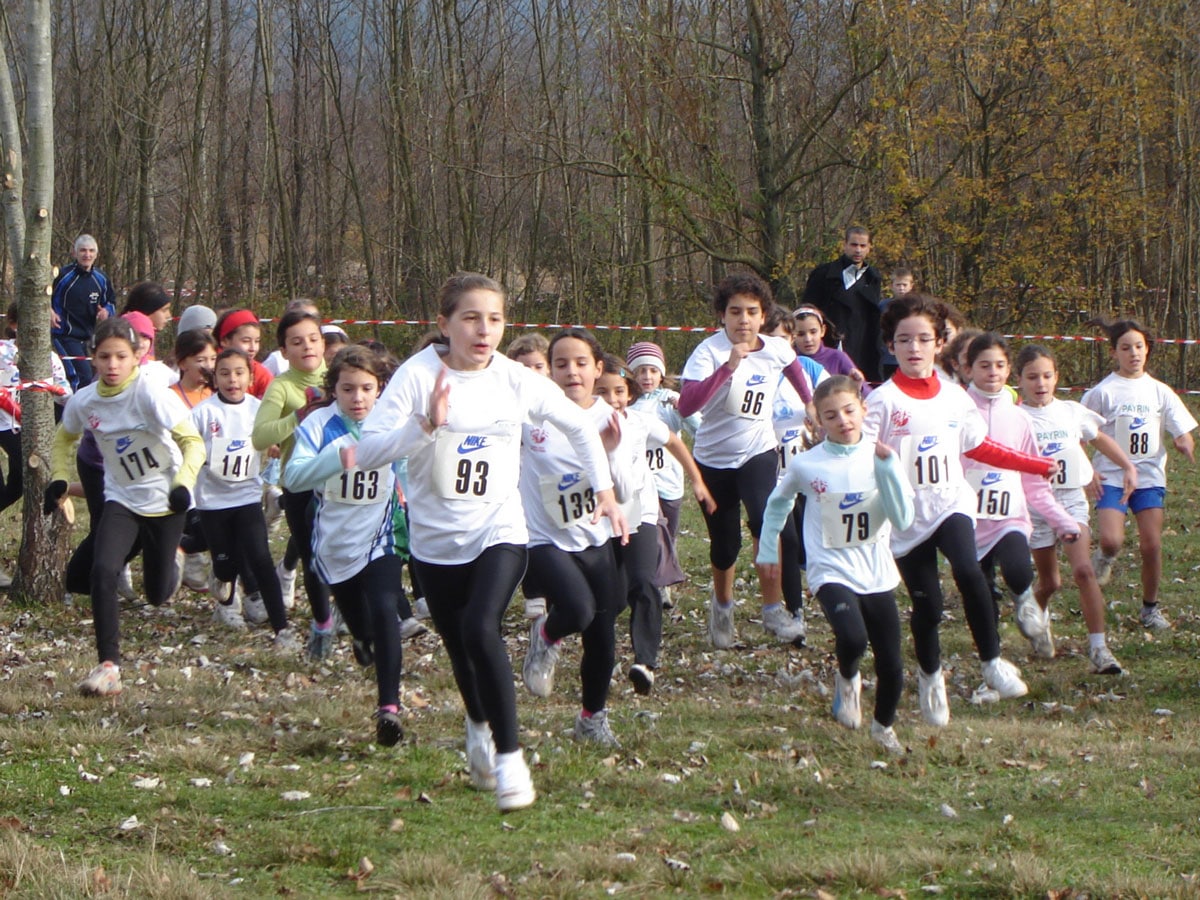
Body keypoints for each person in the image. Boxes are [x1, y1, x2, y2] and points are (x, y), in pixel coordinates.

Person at [345, 272, 626, 811]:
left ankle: (511, 758)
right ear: (444, 323)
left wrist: (606, 491)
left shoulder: (513, 379)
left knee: (482, 626)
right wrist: (424, 427)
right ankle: (477, 723)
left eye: (494, 319)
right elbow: (371, 450)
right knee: (460, 645)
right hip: (435, 541)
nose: (484, 330)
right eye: (471, 318)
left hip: (500, 529)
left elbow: (580, 426)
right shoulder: (416, 376)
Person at [862, 293, 1056, 726]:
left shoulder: (954, 398)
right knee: (928, 606)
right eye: (904, 340)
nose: (914, 348)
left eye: (923, 339)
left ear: (938, 345)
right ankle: (931, 677)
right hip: (906, 517)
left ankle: (993, 663)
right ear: (890, 346)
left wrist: (1035, 464)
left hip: (951, 501)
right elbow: (857, 451)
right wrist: (867, 453)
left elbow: (981, 446)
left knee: (969, 571)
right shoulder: (882, 401)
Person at [46, 317, 204, 696]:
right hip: (121, 497)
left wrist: (182, 484)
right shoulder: (85, 401)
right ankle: (108, 666)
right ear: (93, 359)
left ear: (138, 356)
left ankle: (177, 552)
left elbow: (193, 443)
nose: (112, 365)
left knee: (157, 594)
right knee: (103, 569)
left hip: (167, 501)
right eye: (104, 357)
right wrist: (59, 477)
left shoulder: (152, 394)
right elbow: (62, 439)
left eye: (121, 356)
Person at [758, 375, 914, 754]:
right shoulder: (807, 465)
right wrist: (767, 550)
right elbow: (778, 503)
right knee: (853, 637)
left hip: (876, 570)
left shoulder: (883, 456)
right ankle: (847, 680)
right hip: (829, 568)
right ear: (819, 422)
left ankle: (883, 727)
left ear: (863, 410)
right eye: (831, 415)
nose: (843, 420)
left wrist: (889, 470)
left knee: (893, 664)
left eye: (849, 411)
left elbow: (904, 519)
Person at [678, 272, 813, 648]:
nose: (743, 320)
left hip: (758, 451)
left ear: (763, 315)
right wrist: (728, 369)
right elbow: (688, 404)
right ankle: (722, 607)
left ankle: (773, 610)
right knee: (725, 546)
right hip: (713, 459)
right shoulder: (708, 352)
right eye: (735, 312)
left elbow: (793, 368)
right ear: (722, 315)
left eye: (751, 312)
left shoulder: (775, 348)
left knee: (768, 522)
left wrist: (810, 403)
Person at [286, 345, 409, 746]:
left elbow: (408, 465)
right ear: (333, 390)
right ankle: (358, 635)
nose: (357, 398)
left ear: (380, 390)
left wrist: (410, 495)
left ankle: (389, 708)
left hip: (381, 533)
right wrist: (339, 457)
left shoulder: (391, 422)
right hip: (335, 539)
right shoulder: (319, 425)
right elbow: (294, 477)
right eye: (348, 389)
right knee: (361, 620)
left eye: (366, 389)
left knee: (386, 608)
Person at [518, 332, 633, 746]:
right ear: (549, 370)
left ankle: (591, 719)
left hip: (594, 537)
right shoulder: (532, 415)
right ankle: (545, 636)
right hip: (541, 537)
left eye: (581, 363)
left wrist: (614, 452)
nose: (571, 372)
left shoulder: (610, 416)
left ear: (598, 369)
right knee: (578, 609)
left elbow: (627, 490)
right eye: (561, 363)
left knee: (602, 637)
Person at [595, 351, 713, 695]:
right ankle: (598, 652)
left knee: (645, 581)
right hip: (599, 517)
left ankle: (645, 661)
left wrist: (696, 480)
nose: (611, 399)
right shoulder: (580, 424)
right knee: (613, 596)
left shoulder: (640, 422)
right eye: (602, 392)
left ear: (629, 393)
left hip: (640, 511)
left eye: (618, 391)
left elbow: (674, 441)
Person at [1015, 344, 1137, 674]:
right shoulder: (1016, 417)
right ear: (1020, 381)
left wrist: (1127, 465)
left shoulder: (1069, 411)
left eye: (1047, 376)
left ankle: (1100, 650)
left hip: (1070, 500)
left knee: (1083, 570)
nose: (1040, 383)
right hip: (1036, 505)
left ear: (1056, 377)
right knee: (1050, 582)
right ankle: (1036, 622)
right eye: (1032, 377)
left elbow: (1098, 438)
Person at [961, 334, 1080, 660]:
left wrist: (1061, 520)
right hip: (966, 520)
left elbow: (1035, 483)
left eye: (999, 365)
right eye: (984, 366)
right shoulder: (956, 411)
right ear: (969, 368)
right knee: (979, 593)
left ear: (1009, 369)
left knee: (1017, 568)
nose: (992, 372)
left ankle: (1026, 601)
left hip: (1009, 515)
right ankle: (992, 656)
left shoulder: (1019, 418)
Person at [1082, 319, 1197, 630]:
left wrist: (1183, 441)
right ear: (1114, 352)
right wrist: (1086, 468)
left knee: (1151, 544)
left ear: (1147, 350)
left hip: (1148, 477)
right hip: (1111, 477)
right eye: (1125, 348)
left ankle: (1150, 609)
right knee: (1111, 539)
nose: (1133, 353)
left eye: (1138, 347)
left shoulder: (1160, 391)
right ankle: (1105, 558)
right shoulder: (1102, 393)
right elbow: (1080, 435)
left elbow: (1183, 429)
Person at [191, 348, 294, 646]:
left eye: (239, 373)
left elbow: (273, 435)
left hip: (247, 496)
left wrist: (274, 444)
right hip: (212, 501)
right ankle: (222, 587)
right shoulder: (203, 413)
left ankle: (282, 629)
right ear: (215, 378)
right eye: (224, 373)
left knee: (261, 558)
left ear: (250, 377)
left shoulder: (259, 409)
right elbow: (185, 447)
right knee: (226, 564)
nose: (232, 379)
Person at [251, 309, 331, 657]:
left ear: (323, 343)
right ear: (283, 352)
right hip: (299, 484)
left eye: (313, 339)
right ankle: (322, 624)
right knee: (313, 555)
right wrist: (297, 416)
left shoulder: (340, 377)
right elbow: (260, 436)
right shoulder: (282, 386)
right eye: (296, 342)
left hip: (342, 484)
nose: (306, 347)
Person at [0, 303, 72, 587]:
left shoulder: (50, 358)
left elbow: (65, 392)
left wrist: (57, 391)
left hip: (24, 426)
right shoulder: (3, 350)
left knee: (20, 483)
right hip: (3, 422)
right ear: (15, 324)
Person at [626, 340, 702, 610]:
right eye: (641, 371)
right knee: (648, 534)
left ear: (662, 374)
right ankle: (652, 585)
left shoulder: (670, 402)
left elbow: (699, 431)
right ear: (631, 375)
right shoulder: (626, 404)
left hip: (669, 481)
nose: (647, 377)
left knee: (668, 534)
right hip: (639, 484)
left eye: (653, 371)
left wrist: (684, 410)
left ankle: (663, 582)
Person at [800, 226, 883, 381]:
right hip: (829, 345)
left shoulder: (873, 278)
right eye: (853, 245)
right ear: (844, 245)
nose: (858, 250)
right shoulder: (823, 274)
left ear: (869, 248)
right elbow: (807, 310)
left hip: (862, 345)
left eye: (863, 246)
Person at [52, 234, 117, 391]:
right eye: (82, 251)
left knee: (95, 376)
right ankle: (73, 412)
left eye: (91, 251)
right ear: (74, 253)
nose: (87, 255)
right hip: (64, 333)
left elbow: (111, 303)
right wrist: (49, 311)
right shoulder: (63, 276)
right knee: (80, 376)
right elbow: (42, 296)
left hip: (89, 336)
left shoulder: (101, 279)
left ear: (96, 254)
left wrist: (106, 311)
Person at [878, 267, 915, 380]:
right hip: (889, 356)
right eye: (898, 285)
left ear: (911, 285)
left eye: (904, 285)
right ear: (891, 286)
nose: (901, 288)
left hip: (910, 353)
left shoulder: (916, 305)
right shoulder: (883, 305)